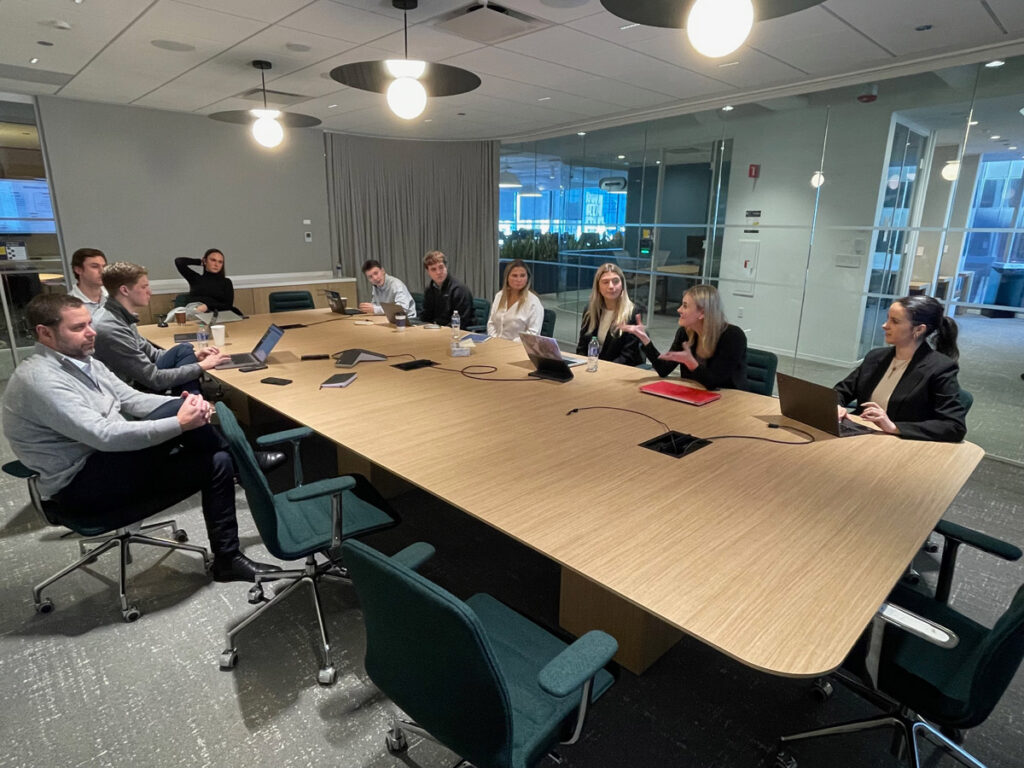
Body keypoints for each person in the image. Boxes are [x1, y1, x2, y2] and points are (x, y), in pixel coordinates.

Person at [2, 294, 281, 582]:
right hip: (78, 485)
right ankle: (246, 462)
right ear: (44, 333)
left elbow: (132, 399)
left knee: (217, 461)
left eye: (89, 323)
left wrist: (183, 410)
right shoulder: (40, 380)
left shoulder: (82, 360)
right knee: (182, 416)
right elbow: (104, 435)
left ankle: (227, 560)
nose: (91, 331)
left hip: (110, 464)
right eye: (78, 327)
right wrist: (179, 421)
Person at [834, 295, 966, 442]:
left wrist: (894, 427)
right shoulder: (875, 357)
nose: (885, 325)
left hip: (899, 444)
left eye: (895, 321)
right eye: (888, 318)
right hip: (861, 434)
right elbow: (841, 391)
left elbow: (954, 426)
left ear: (919, 329)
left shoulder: (940, 367)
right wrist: (836, 406)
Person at [93, 262, 227, 395]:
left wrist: (195, 356)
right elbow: (154, 378)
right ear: (124, 290)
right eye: (144, 286)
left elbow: (154, 355)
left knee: (185, 349)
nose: (150, 292)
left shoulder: (123, 317)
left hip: (142, 380)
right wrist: (201, 366)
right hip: (129, 394)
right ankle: (194, 400)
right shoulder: (111, 328)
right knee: (188, 364)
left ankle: (192, 398)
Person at [620, 284, 747, 390]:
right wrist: (645, 340)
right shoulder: (685, 333)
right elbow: (663, 369)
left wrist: (690, 362)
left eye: (685, 306)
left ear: (702, 313)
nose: (679, 310)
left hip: (728, 402)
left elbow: (714, 383)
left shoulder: (733, 336)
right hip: (693, 396)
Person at [574, 263, 645, 366]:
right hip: (592, 368)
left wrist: (602, 370)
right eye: (605, 282)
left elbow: (627, 356)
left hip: (619, 370)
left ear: (622, 285)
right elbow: (582, 348)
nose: (611, 286)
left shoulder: (632, 312)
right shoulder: (590, 311)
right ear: (598, 287)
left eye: (616, 281)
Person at [487, 259, 544, 340]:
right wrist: (496, 340)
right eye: (514, 275)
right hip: (496, 344)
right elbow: (491, 323)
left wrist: (510, 345)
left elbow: (533, 334)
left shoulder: (533, 302)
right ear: (507, 278)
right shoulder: (499, 296)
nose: (519, 280)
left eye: (522, 276)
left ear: (527, 278)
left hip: (519, 348)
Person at [420, 250, 474, 327]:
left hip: (458, 332)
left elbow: (462, 320)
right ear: (428, 272)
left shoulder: (459, 290)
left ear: (446, 267)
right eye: (433, 269)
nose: (438, 272)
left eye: (441, 267)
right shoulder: (429, 290)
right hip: (436, 331)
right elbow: (425, 316)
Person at [175, 248, 235, 313]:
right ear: (205, 261)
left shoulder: (226, 282)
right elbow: (179, 262)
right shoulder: (195, 278)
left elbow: (228, 306)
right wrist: (200, 262)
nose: (216, 264)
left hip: (219, 315)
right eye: (213, 260)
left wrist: (207, 306)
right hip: (196, 315)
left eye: (220, 262)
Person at [67, 247, 108, 315]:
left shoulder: (117, 296)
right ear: (78, 270)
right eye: (95, 266)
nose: (102, 271)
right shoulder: (68, 304)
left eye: (104, 266)